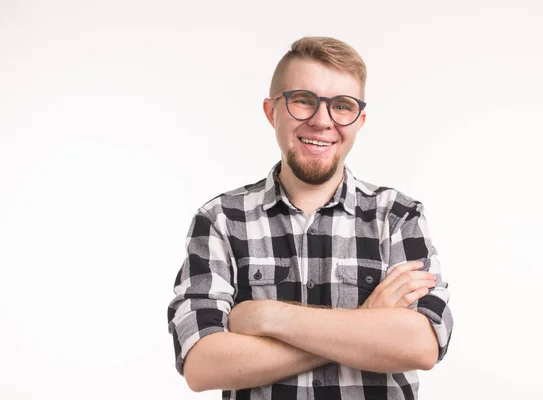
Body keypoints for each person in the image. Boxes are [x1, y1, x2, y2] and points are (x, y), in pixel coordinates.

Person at [167, 36, 453, 400]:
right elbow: (202, 364)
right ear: (272, 112)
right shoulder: (221, 220)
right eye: (303, 101)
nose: (322, 121)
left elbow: (422, 345)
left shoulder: (397, 216)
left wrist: (266, 317)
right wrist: (367, 321)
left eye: (343, 106)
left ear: (360, 120)